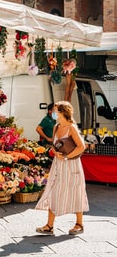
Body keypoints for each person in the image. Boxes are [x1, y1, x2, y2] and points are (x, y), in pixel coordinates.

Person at [35, 101, 89, 235]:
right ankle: (49, 225)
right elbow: (54, 144)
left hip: (71, 164)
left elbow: (81, 147)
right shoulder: (56, 127)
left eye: (55, 111)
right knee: (53, 190)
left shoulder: (72, 127)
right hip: (58, 165)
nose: (53, 113)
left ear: (62, 112)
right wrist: (55, 151)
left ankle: (79, 224)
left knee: (76, 191)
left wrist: (66, 157)